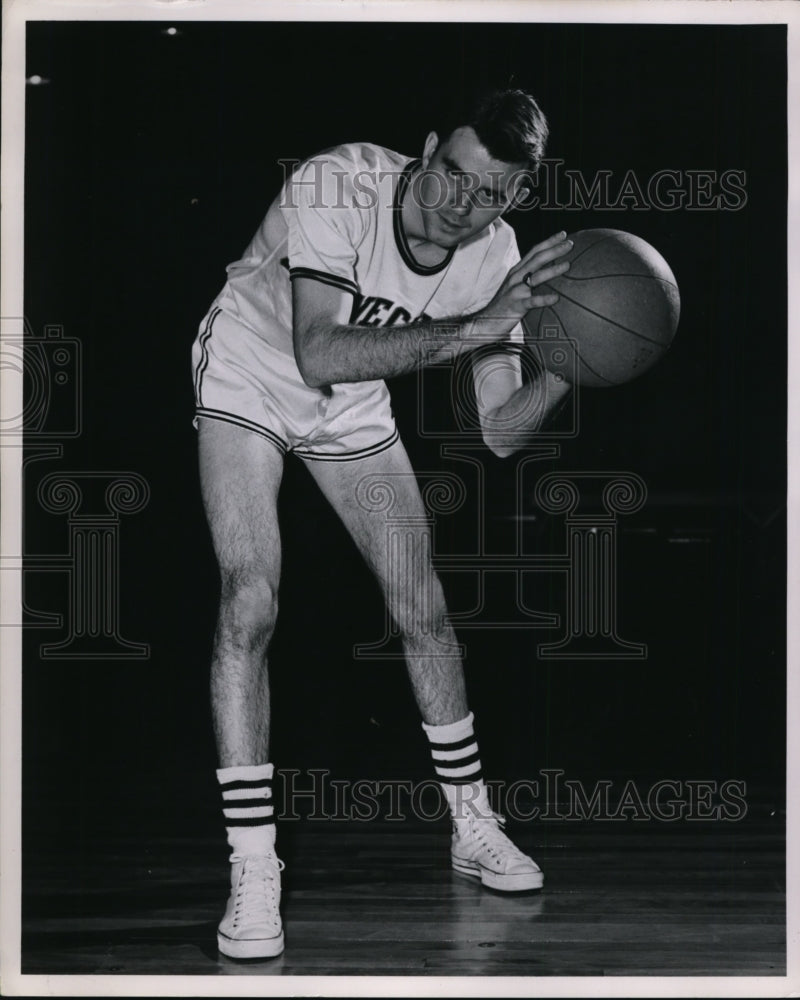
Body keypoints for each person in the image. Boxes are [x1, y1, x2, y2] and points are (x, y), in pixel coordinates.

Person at [191, 89, 574, 960]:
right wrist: (479, 324)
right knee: (251, 599)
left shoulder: (498, 256)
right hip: (251, 371)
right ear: (430, 148)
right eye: (451, 175)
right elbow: (318, 350)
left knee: (423, 609)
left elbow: (501, 431)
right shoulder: (337, 183)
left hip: (352, 398)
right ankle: (254, 867)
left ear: (513, 198)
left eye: (488, 195)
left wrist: (575, 361)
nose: (458, 203)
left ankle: (472, 826)